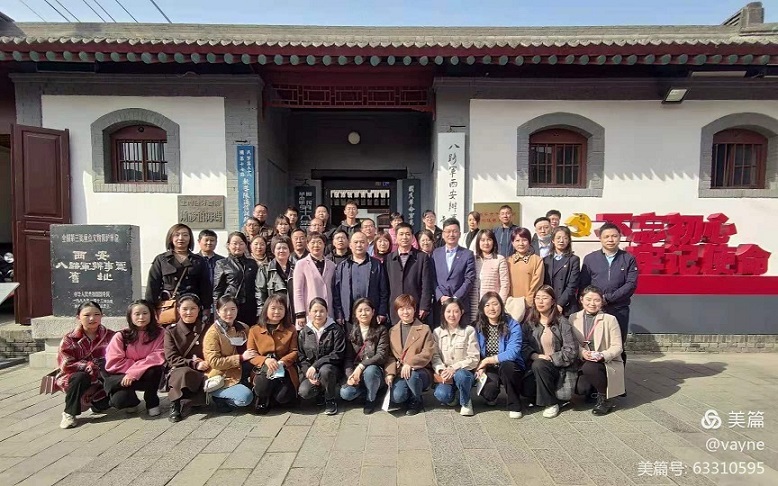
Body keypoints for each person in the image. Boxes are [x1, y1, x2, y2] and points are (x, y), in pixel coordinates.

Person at [579, 222, 638, 365]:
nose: (610, 239)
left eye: (614, 236)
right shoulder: (590, 259)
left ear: (620, 237)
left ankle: (618, 376)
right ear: (600, 238)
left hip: (619, 308)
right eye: (606, 236)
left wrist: (608, 298)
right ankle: (595, 375)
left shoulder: (628, 259)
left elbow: (630, 284)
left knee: (618, 344)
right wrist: (592, 302)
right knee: (594, 342)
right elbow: (584, 285)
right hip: (595, 309)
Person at [521, 286, 579, 419]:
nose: (540, 301)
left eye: (545, 298)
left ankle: (551, 403)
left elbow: (571, 350)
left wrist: (551, 358)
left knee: (539, 364)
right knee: (526, 388)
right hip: (535, 366)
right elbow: (523, 345)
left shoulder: (562, 322)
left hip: (558, 367)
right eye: (537, 298)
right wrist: (534, 355)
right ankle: (542, 396)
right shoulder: (529, 323)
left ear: (553, 301)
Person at [56, 301, 115, 429]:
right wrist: (87, 366)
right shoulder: (69, 338)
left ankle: (96, 403)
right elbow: (66, 364)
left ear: (102, 316)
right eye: (87, 315)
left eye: (96, 314)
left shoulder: (111, 336)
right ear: (78, 317)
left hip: (102, 377)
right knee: (80, 377)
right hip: (78, 377)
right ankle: (69, 413)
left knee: (109, 403)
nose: (92, 318)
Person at [104, 300, 166, 416]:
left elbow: (158, 355)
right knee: (120, 400)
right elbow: (114, 361)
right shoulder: (121, 336)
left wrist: (135, 371)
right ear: (130, 316)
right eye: (137, 314)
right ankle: (131, 402)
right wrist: (132, 372)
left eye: (145, 313)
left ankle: (152, 402)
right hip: (124, 375)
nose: (141, 317)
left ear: (151, 314)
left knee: (155, 370)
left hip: (147, 374)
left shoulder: (160, 333)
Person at [570, 286, 625, 415]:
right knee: (581, 389)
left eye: (597, 300)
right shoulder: (573, 317)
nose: (592, 303)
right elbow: (572, 342)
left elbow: (617, 346)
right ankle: (593, 390)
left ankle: (605, 398)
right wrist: (582, 352)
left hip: (605, 361)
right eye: (588, 299)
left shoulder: (610, 319)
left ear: (602, 302)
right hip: (583, 359)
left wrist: (602, 355)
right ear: (581, 300)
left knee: (590, 367)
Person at [473, 292, 524, 419]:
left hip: (510, 365)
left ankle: (514, 404)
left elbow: (513, 352)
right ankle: (493, 393)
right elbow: (473, 350)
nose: (491, 308)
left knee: (507, 367)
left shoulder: (512, 325)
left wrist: (487, 360)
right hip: (490, 368)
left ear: (501, 305)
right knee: (489, 393)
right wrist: (481, 366)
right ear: (482, 308)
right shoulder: (477, 326)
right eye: (487, 305)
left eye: (495, 304)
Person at [146, 223, 213, 319]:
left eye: (185, 235)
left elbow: (205, 287)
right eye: (177, 235)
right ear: (170, 238)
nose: (181, 238)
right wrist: (150, 308)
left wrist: (207, 308)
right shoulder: (161, 259)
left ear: (190, 238)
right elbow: (152, 285)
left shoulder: (198, 260)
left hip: (192, 307)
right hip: (169, 307)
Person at [247, 294, 299, 414]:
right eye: (273, 308)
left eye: (281, 308)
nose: (277, 312)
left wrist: (282, 362)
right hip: (263, 369)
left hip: (284, 369)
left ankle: (274, 398)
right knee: (262, 388)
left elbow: (294, 351)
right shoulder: (254, 330)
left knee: (283, 397)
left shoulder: (291, 329)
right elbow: (251, 354)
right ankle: (262, 398)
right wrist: (265, 360)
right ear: (266, 309)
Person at [385, 294, 435, 415]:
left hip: (420, 371)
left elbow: (427, 352)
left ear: (414, 309)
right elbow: (390, 355)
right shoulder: (392, 331)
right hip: (400, 371)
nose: (405, 312)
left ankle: (416, 400)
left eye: (408, 308)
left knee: (412, 375)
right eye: (401, 309)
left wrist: (410, 363)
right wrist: (390, 373)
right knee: (397, 397)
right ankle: (410, 393)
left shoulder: (424, 329)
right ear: (397, 311)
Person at [203, 295, 255, 409]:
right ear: (218, 311)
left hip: (241, 372)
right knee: (245, 398)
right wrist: (240, 358)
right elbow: (214, 362)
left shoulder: (243, 327)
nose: (229, 313)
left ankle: (240, 386)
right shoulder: (213, 333)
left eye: (233, 309)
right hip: (222, 376)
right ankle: (218, 395)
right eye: (225, 310)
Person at [164, 294, 209, 422]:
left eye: (193, 308)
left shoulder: (207, 328)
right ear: (178, 310)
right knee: (183, 373)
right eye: (185, 309)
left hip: (204, 367)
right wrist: (193, 363)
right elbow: (171, 357)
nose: (189, 312)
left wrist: (206, 362)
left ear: (199, 309)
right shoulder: (171, 331)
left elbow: (213, 349)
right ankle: (175, 404)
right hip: (180, 367)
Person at [340, 298, 390, 414]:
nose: (364, 313)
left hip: (375, 371)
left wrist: (361, 366)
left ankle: (370, 399)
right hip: (357, 373)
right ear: (355, 313)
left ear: (373, 312)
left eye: (367, 310)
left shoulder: (381, 330)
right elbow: (348, 358)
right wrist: (351, 375)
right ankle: (374, 391)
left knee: (370, 371)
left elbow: (381, 355)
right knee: (345, 393)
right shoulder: (351, 332)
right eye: (360, 310)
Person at [298, 298, 346, 415]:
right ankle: (320, 393)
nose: (318, 314)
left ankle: (330, 399)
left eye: (322, 311)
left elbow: (338, 353)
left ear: (327, 312)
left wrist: (315, 365)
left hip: (331, 369)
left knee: (325, 371)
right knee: (304, 392)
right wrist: (308, 373)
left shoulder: (335, 329)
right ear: (309, 312)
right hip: (311, 371)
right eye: (315, 311)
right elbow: (300, 356)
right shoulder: (304, 332)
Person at [432, 299, 480, 416]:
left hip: (464, 372)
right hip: (446, 375)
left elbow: (474, 358)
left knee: (461, 376)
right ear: (443, 313)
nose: (452, 315)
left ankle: (466, 402)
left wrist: (454, 368)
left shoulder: (469, 331)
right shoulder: (437, 332)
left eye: (456, 311)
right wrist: (441, 370)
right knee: (441, 395)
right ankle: (455, 397)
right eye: (448, 311)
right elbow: (435, 356)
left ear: (461, 312)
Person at [333, 231, 390, 325]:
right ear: (350, 245)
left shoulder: (376, 264)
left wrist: (382, 311)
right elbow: (337, 293)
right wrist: (339, 313)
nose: (359, 245)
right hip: (349, 316)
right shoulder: (343, 266)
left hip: (372, 315)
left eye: (362, 242)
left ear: (367, 245)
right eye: (356, 242)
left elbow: (384, 290)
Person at [385, 222, 433, 325]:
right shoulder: (388, 259)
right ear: (396, 237)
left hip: (415, 307)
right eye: (401, 234)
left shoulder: (422, 257)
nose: (404, 237)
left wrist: (424, 306)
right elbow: (385, 287)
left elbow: (426, 284)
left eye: (407, 234)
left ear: (412, 237)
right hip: (395, 308)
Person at [431, 218, 476, 326]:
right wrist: (441, 296)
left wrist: (455, 298)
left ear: (459, 234)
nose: (451, 234)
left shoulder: (467, 254)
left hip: (461, 305)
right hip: (440, 305)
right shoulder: (436, 253)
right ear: (443, 234)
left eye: (454, 231)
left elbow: (469, 279)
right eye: (448, 231)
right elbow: (432, 278)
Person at [213, 232, 259, 326]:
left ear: (245, 245)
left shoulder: (252, 263)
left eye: (241, 243)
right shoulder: (222, 263)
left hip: (250, 307)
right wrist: (217, 314)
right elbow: (217, 290)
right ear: (228, 245)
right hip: (230, 306)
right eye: (234, 243)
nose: (238, 246)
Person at [293, 232, 336, 329]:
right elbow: (298, 291)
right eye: (313, 243)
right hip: (309, 311)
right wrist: (300, 313)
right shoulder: (301, 264)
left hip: (328, 310)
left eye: (319, 242)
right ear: (307, 245)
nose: (316, 245)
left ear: (324, 245)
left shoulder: (331, 265)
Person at [471, 229, 510, 320]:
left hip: (492, 306)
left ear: (493, 242)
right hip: (474, 304)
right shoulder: (473, 260)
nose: (486, 243)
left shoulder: (499, 259)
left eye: (489, 239)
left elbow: (505, 285)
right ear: (478, 242)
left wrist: (499, 303)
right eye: (482, 240)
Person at [543, 226, 581, 317]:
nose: (561, 241)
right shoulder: (545, 260)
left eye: (565, 238)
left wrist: (560, 304)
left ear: (569, 241)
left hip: (568, 306)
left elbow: (572, 285)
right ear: (553, 240)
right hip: (549, 304)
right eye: (558, 238)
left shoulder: (574, 259)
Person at [256, 235, 295, 318]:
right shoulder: (265, 269)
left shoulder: (296, 268)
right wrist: (262, 313)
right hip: (274, 311)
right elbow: (260, 292)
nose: (281, 250)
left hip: (293, 310)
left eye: (285, 248)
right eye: (278, 248)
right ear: (273, 251)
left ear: (290, 250)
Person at [507, 227, 544, 307]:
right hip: (511, 304)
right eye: (517, 240)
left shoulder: (537, 260)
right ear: (512, 243)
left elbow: (537, 284)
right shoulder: (508, 261)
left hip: (530, 305)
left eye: (524, 240)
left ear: (529, 242)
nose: (521, 243)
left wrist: (528, 302)